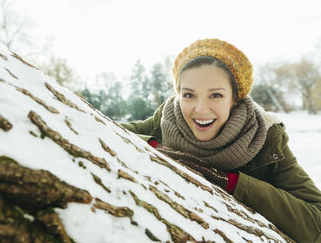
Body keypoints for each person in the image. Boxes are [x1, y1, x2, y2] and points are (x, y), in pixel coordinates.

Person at [121, 39, 321, 242]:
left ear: (235, 98)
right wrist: (155, 147)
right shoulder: (166, 120)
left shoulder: (267, 139)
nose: (200, 109)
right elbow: (103, 130)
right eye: (189, 95)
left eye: (215, 95)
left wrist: (235, 184)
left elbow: (317, 222)